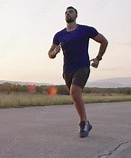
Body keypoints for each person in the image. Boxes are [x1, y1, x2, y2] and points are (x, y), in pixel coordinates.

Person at [48, 6, 108, 138]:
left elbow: (104, 41)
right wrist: (54, 52)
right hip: (67, 70)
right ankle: (86, 121)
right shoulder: (59, 35)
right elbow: (49, 54)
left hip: (82, 67)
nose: (67, 13)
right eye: (66, 12)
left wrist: (98, 58)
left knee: (74, 92)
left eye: (70, 12)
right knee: (75, 97)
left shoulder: (86, 30)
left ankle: (82, 124)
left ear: (76, 15)